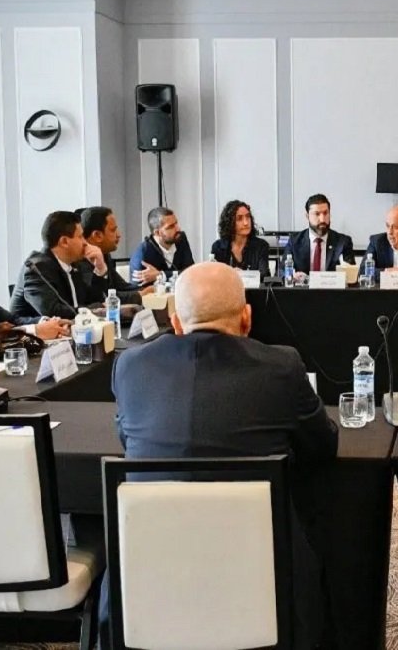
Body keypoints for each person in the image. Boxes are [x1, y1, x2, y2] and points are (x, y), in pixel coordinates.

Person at [101, 261, 338, 646]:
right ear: (247, 318)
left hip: (148, 567)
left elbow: (127, 442)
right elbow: (322, 447)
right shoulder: (281, 366)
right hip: (260, 567)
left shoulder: (129, 365)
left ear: (176, 323)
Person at [9, 210, 114, 319]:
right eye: (80, 237)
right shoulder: (36, 269)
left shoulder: (72, 265)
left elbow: (90, 300)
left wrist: (100, 269)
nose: (85, 243)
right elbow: (54, 311)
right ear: (64, 242)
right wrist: (96, 308)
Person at [80, 206, 149, 299]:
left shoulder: (105, 253)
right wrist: (140, 295)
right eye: (113, 230)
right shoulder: (80, 261)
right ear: (97, 235)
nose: (119, 235)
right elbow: (103, 297)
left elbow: (121, 286)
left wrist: (149, 289)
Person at [283, 193, 356, 274]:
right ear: (307, 216)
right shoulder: (294, 241)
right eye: (317, 214)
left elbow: (351, 275)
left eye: (325, 213)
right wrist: (292, 276)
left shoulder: (343, 242)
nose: (322, 219)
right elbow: (282, 271)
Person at [129, 206, 196, 280]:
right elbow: (139, 287)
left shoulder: (180, 238)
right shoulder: (142, 255)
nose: (178, 229)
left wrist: (161, 275)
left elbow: (192, 273)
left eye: (176, 223)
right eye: (171, 227)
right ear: (157, 233)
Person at [209, 200, 271, 275]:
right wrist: (231, 273)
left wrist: (241, 275)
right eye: (239, 219)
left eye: (248, 217)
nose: (246, 223)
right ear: (229, 222)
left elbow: (263, 275)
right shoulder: (218, 247)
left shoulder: (261, 246)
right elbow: (214, 276)